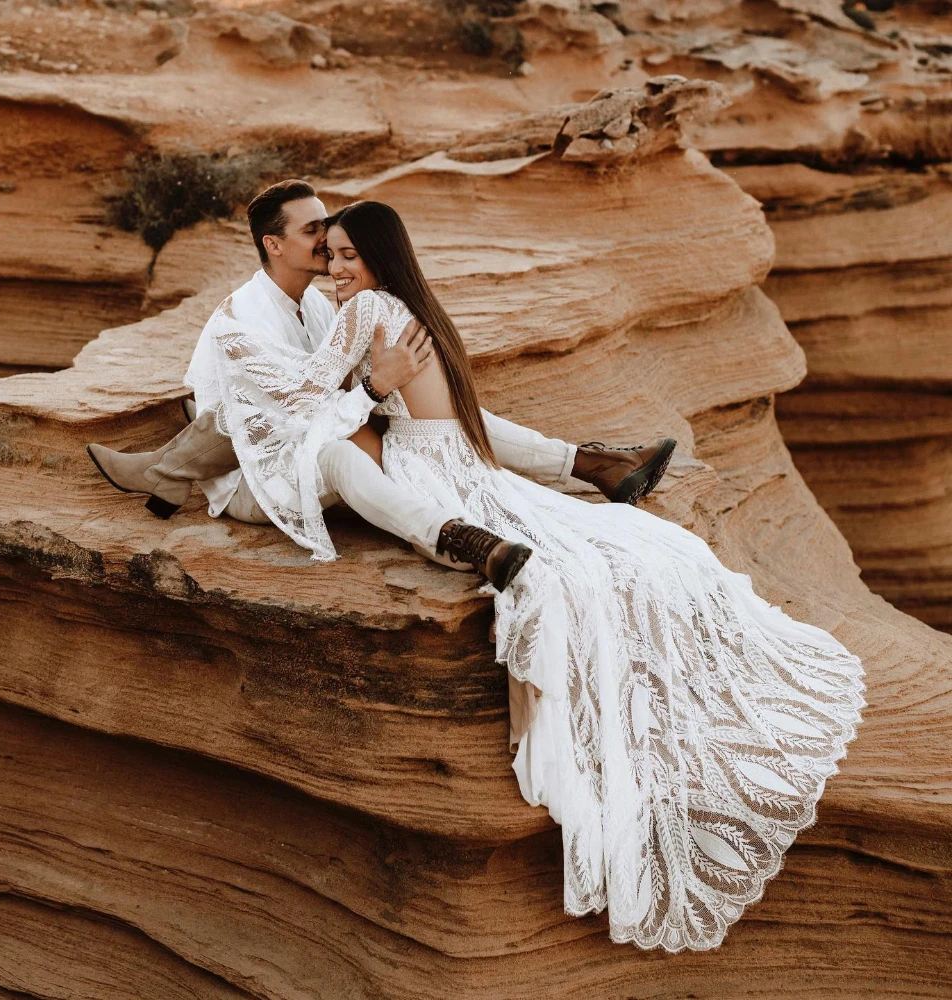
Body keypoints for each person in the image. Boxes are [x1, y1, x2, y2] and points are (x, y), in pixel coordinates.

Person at [205, 199, 865, 951]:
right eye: (332, 255)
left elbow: (304, 398)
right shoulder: (412, 308)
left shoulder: (359, 316)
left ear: (379, 259)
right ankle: (590, 469)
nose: (337, 267)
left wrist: (278, 378)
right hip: (466, 458)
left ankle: (489, 528)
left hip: (431, 469)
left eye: (350, 255)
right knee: (602, 544)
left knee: (545, 557)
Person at [87, 181, 676, 589]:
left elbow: (328, 394)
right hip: (255, 471)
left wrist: (380, 391)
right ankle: (460, 540)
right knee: (348, 451)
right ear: (274, 244)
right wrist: (372, 388)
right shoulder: (240, 319)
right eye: (316, 231)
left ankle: (593, 465)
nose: (327, 244)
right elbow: (286, 412)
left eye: (334, 236)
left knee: (433, 421)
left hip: (311, 437)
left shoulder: (321, 306)